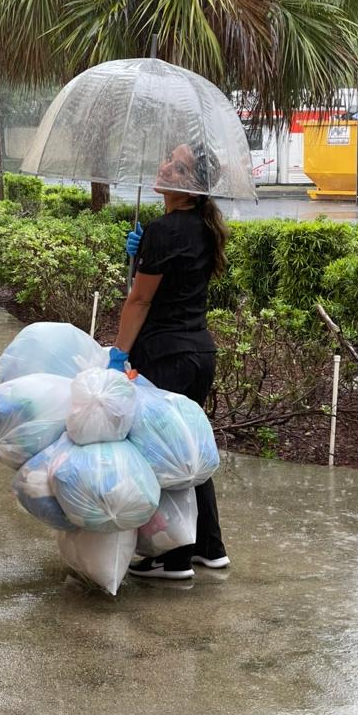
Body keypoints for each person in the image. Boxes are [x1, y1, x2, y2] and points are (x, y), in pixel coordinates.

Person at [108, 142, 230, 581]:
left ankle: (172, 556)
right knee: (189, 451)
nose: (164, 167)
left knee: (162, 455)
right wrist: (139, 254)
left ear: (191, 184)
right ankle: (209, 548)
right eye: (167, 158)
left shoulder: (165, 230)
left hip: (165, 356)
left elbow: (139, 301)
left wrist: (118, 357)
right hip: (199, 353)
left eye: (177, 165)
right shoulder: (201, 227)